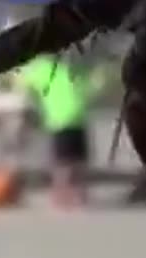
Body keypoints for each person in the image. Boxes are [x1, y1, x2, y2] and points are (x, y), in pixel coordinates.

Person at [19, 55, 92, 208]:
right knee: (72, 162)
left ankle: (68, 196)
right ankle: (71, 196)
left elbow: (24, 87)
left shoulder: (44, 69)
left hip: (67, 119)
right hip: (70, 118)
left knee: (69, 162)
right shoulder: (55, 68)